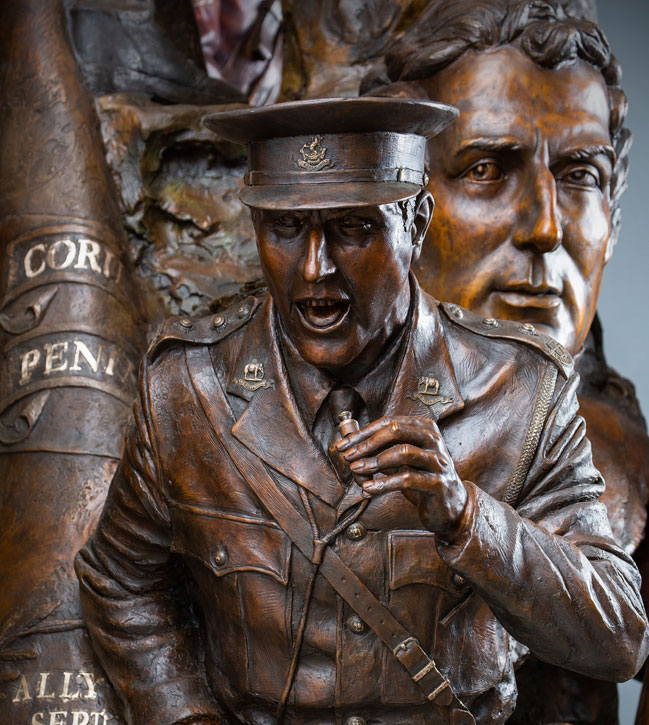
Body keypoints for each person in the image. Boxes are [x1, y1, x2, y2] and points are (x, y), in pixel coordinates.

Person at [75, 97, 648, 725]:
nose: (316, 270)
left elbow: (620, 634)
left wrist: (467, 520)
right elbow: (119, 581)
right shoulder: (187, 388)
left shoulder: (521, 392)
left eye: (353, 228)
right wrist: (185, 716)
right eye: (287, 229)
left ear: (416, 223)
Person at [366, 2, 649, 720]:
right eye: (486, 168)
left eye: (580, 173)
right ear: (395, 201)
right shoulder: (245, 416)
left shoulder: (630, 471)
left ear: (613, 221)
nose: (545, 227)